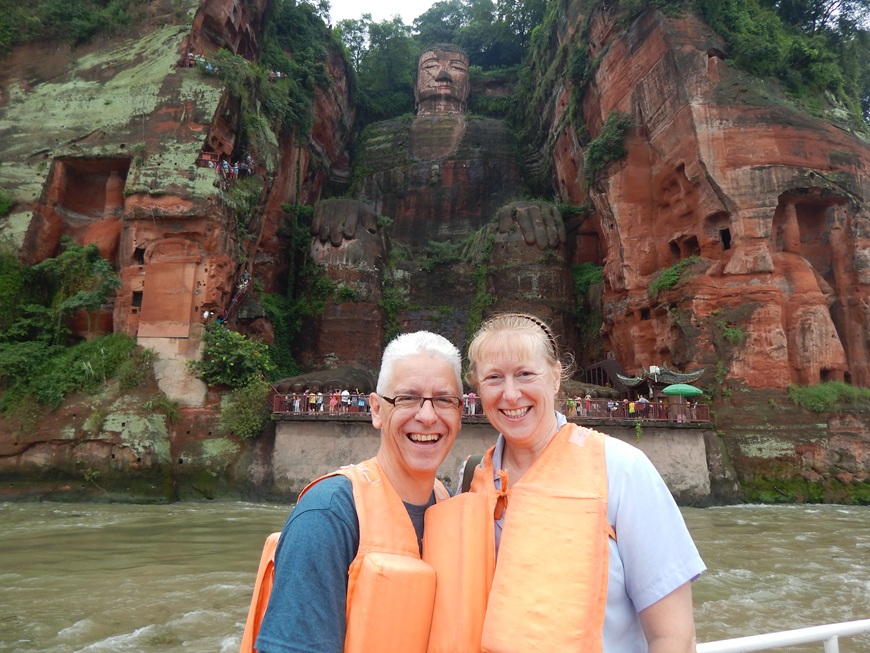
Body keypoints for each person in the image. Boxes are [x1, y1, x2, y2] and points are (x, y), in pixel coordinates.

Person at [424, 313, 705, 652]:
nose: (511, 394)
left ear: (556, 377)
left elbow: (674, 637)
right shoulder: (471, 479)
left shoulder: (622, 469)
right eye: (494, 378)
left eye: (525, 374)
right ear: (477, 388)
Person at [246, 331, 464, 653]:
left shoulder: (450, 510)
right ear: (376, 410)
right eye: (407, 398)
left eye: (444, 399)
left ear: (460, 413)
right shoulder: (327, 516)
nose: (427, 416)